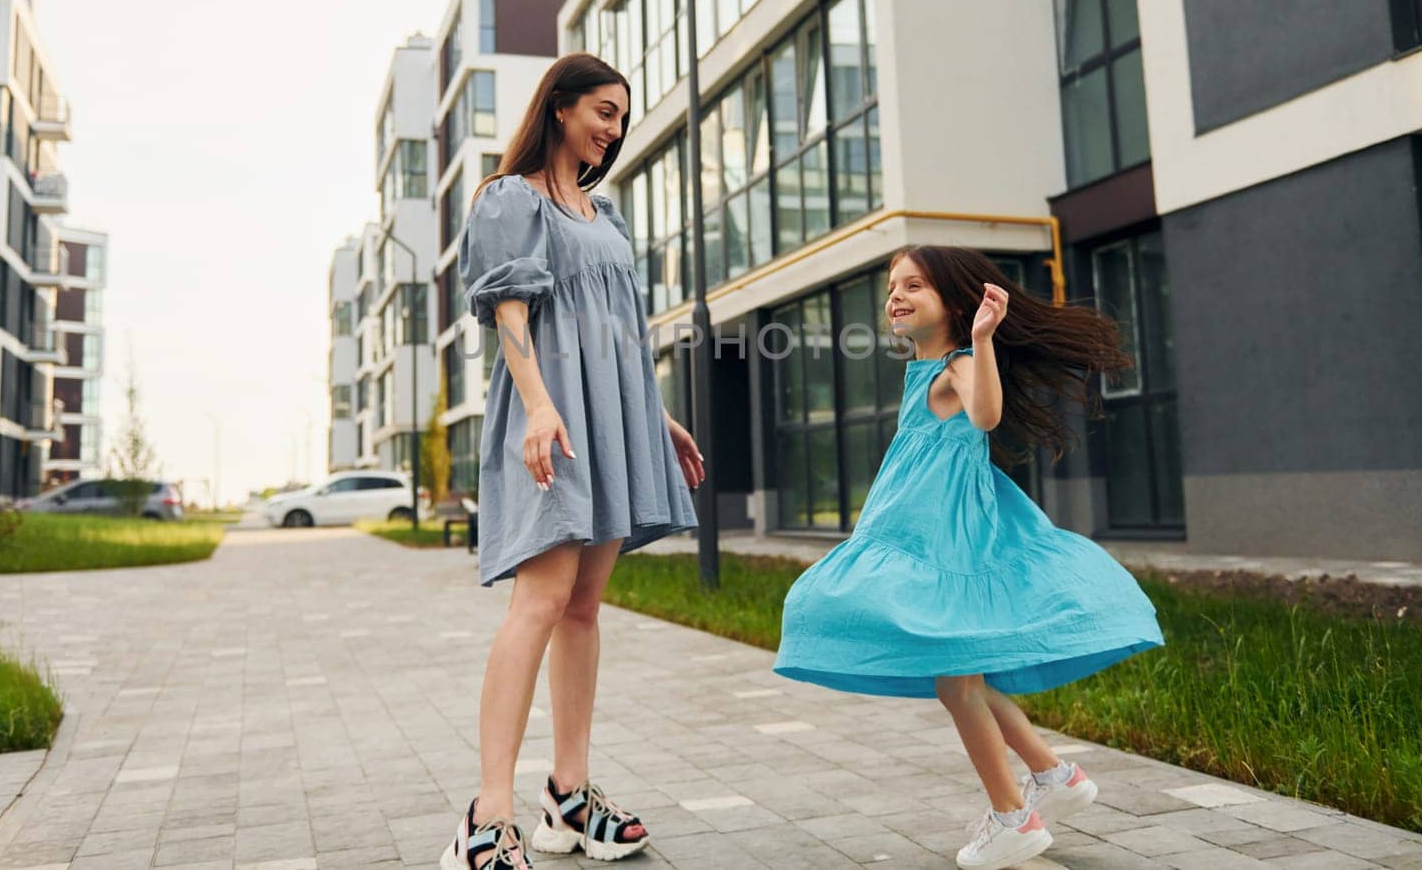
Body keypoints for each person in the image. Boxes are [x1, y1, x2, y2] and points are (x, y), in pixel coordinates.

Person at [774, 245, 1164, 870]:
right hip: (922, 533)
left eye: (914, 286)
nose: (895, 296)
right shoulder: (922, 372)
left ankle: (1014, 818)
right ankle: (1052, 775)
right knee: (964, 673)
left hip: (945, 544)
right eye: (892, 287)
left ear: (954, 304)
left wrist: (982, 339)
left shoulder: (957, 366)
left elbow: (985, 414)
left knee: (955, 676)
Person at [442, 53, 704, 870]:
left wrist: (655, 417)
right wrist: (541, 401)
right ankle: (487, 817)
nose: (613, 128)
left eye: (621, 117)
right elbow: (510, 312)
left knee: (585, 605)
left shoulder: (609, 215)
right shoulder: (510, 200)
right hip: (549, 417)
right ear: (559, 108)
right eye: (602, 109)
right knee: (542, 597)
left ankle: (568, 794)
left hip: (613, 417)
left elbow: (621, 329)